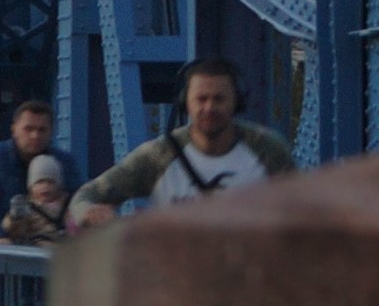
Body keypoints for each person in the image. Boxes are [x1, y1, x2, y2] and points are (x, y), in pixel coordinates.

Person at [69, 58, 296, 228]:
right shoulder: (160, 155)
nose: (209, 108)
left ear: (237, 101)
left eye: (219, 99)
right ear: (185, 102)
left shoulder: (267, 150)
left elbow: (304, 212)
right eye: (201, 99)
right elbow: (85, 196)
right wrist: (89, 212)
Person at [0, 101, 79, 243]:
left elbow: (79, 200)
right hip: (5, 249)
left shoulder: (64, 162)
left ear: (51, 132)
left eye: (42, 130)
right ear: (14, 130)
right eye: (28, 129)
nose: (35, 136)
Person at [0, 154, 69, 246]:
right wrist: (15, 218)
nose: (45, 187)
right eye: (40, 182)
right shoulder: (28, 207)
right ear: (31, 187)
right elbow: (12, 230)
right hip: (39, 249)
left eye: (50, 182)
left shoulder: (68, 202)